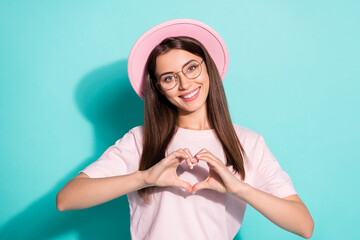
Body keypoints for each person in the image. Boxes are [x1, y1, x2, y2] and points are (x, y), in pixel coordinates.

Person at [56, 19, 314, 239]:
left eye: (191, 67)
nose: (185, 84)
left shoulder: (248, 142)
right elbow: (67, 199)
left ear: (208, 67)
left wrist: (238, 188)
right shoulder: (140, 139)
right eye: (169, 77)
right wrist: (144, 177)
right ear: (158, 88)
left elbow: (304, 225)